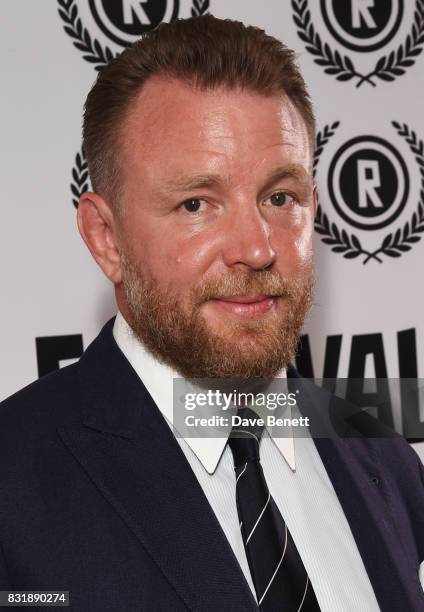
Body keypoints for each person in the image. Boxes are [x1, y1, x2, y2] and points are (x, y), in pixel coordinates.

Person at [0, 14, 423, 612]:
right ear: (106, 238)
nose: (255, 248)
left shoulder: (387, 461)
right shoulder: (14, 485)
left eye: (280, 197)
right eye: (197, 203)